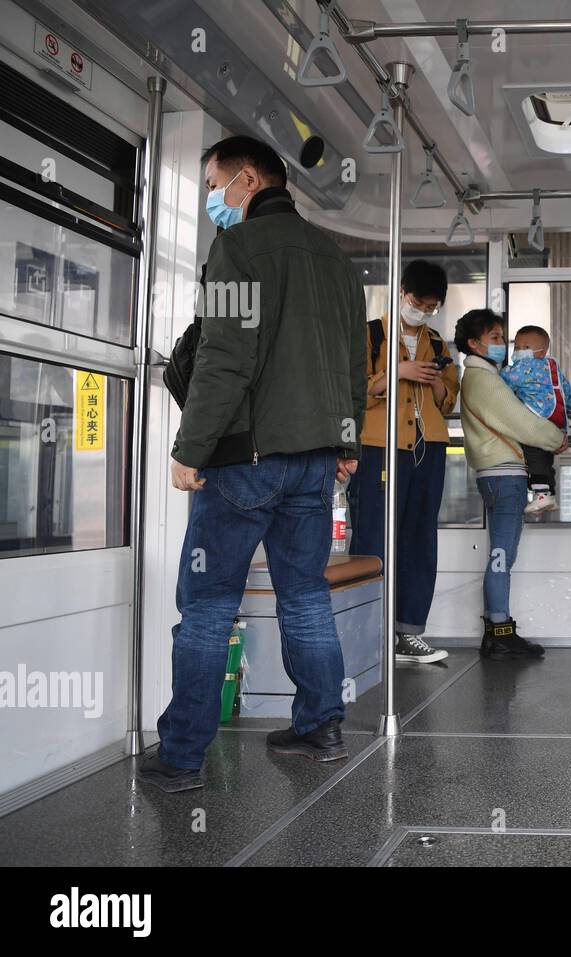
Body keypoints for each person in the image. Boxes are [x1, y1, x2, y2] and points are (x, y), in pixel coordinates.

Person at [138, 135, 367, 792]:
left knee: (208, 605)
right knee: (304, 595)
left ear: (245, 180)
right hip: (315, 465)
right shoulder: (336, 259)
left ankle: (181, 755)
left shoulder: (236, 249)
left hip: (246, 460)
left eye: (214, 184)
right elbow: (355, 366)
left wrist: (189, 449)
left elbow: (224, 358)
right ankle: (321, 725)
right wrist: (345, 444)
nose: (213, 197)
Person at [349, 259, 458, 666]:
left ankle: (409, 632)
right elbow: (350, 388)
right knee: (374, 537)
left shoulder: (438, 342)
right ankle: (368, 633)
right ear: (401, 292)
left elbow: (450, 398)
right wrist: (397, 371)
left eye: (431, 306)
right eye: (418, 301)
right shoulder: (370, 334)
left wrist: (434, 382)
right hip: (379, 444)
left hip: (428, 445)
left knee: (418, 537)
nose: (424, 310)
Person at [456, 309, 567, 658]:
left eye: (502, 337)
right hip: (504, 473)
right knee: (502, 555)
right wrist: (555, 438)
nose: (503, 345)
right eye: (495, 338)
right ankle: (501, 632)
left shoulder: (484, 376)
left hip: (495, 473)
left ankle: (495, 629)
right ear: (474, 344)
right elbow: (522, 422)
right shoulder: (484, 379)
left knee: (500, 553)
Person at [499, 325, 571, 515]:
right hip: (555, 423)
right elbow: (567, 392)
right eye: (516, 346)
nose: (518, 351)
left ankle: (541, 494)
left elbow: (502, 382)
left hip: (536, 422)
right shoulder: (553, 367)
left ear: (541, 351)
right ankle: (550, 495)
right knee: (545, 459)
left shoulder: (521, 368)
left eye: (524, 347)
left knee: (533, 457)